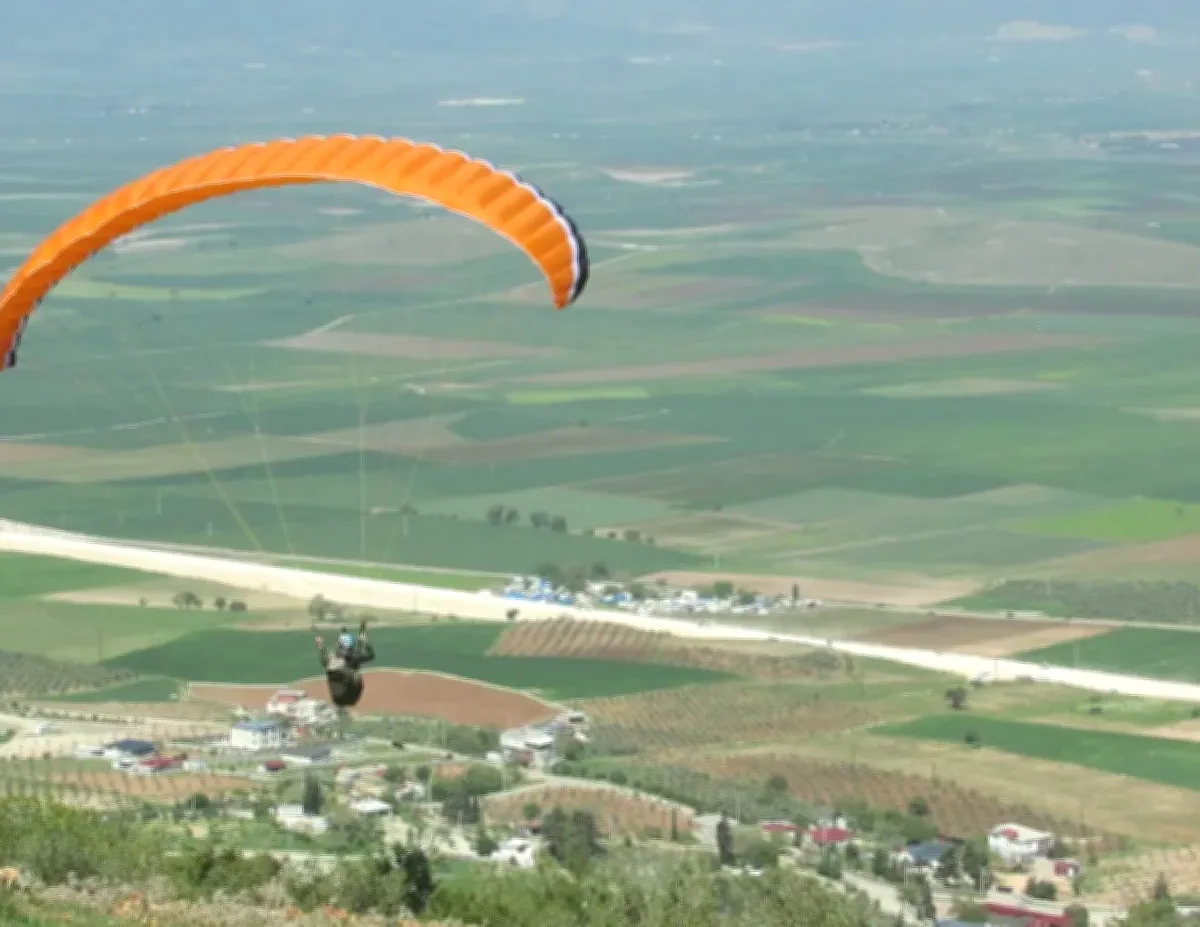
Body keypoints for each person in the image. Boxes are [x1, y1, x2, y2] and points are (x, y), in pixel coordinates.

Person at [315, 618, 375, 710]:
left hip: (337, 699)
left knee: (333, 668)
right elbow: (371, 655)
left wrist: (321, 646)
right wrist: (365, 641)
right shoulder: (354, 656)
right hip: (352, 698)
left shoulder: (334, 658)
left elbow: (324, 660)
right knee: (353, 675)